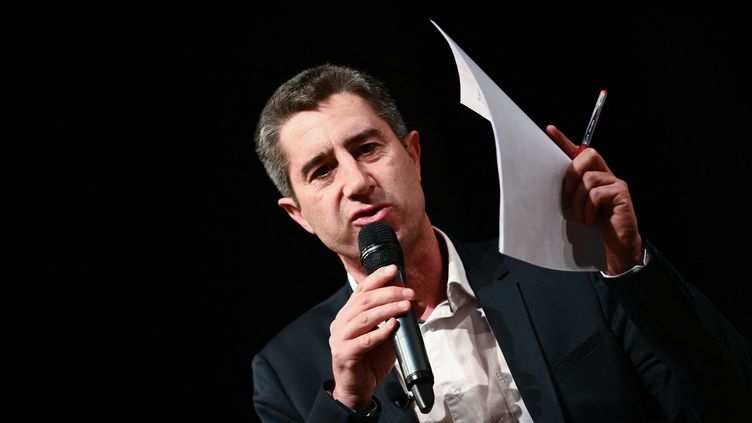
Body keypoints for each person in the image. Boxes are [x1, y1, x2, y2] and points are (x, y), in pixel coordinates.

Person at [250, 63, 751, 422]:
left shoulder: (566, 272)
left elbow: (726, 399)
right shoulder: (286, 372)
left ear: (414, 156)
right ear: (299, 217)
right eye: (322, 171)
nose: (357, 181)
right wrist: (348, 404)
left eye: (367, 148)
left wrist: (631, 266)